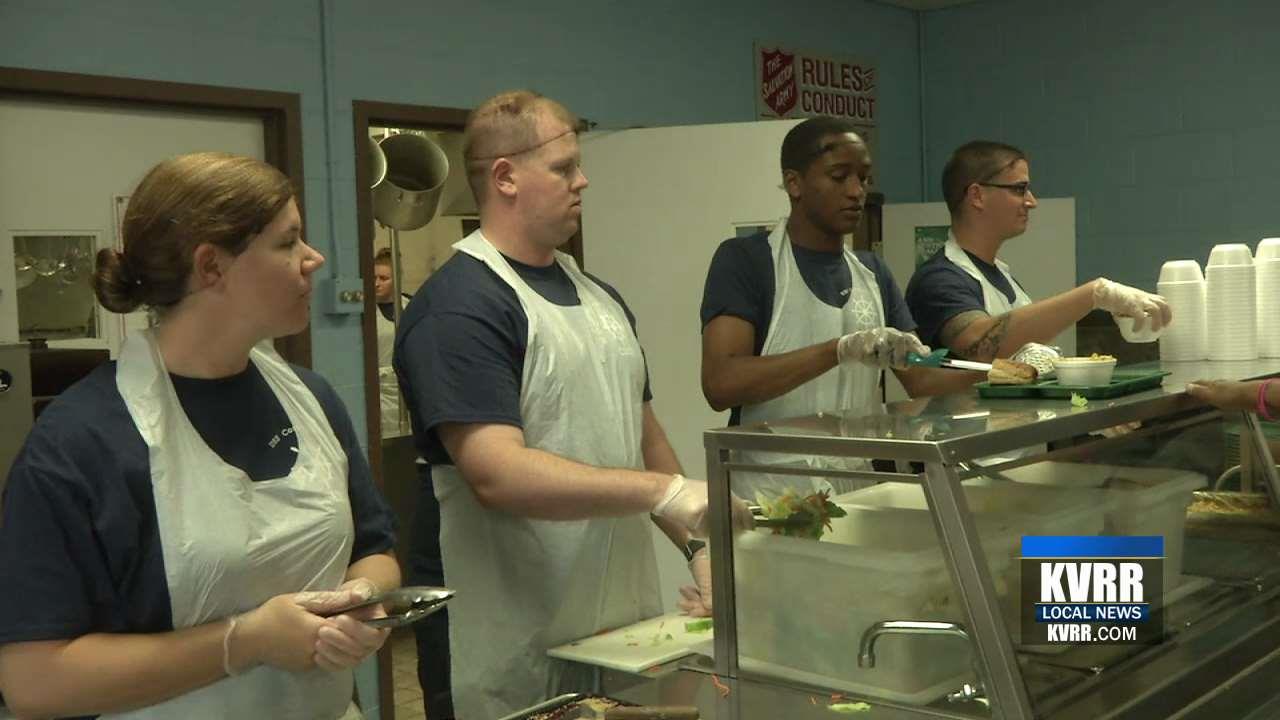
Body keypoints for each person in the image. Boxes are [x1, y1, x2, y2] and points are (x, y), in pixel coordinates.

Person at [0, 152, 399, 720]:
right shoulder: (81, 444)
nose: (314, 259)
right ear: (211, 266)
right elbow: (33, 682)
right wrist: (244, 641)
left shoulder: (311, 400)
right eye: (288, 242)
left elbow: (374, 550)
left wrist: (362, 602)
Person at [393, 90, 751, 719]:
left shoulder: (601, 299)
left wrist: (699, 547)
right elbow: (496, 474)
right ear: (505, 177)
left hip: (614, 625)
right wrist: (661, 493)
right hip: (506, 630)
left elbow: (643, 436)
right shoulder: (460, 307)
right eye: (563, 168)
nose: (582, 181)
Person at [699, 117, 978, 500]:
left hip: (856, 484)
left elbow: (921, 374)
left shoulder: (872, 272)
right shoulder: (748, 261)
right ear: (794, 183)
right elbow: (721, 384)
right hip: (772, 491)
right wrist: (838, 350)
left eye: (863, 178)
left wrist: (1002, 372)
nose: (856, 191)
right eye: (838, 176)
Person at [905, 140, 1171, 363]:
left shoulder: (1002, 277)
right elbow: (979, 346)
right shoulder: (939, 279)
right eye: (1019, 189)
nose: (1031, 202)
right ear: (977, 196)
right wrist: (1095, 294)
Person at [372, 247, 411, 438]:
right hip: (377, 390)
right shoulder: (362, 312)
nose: (376, 283)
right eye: (373, 278)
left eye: (383, 278)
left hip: (406, 387)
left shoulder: (411, 306)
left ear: (397, 279)